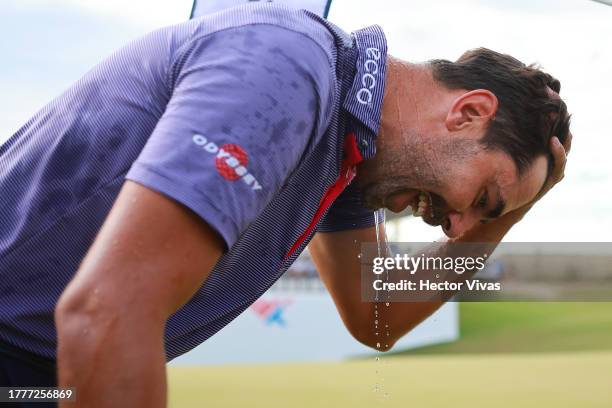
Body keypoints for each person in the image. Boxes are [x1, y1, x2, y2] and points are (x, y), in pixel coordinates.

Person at [0, 3, 571, 407]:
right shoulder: (287, 66)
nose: (451, 223)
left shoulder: (350, 154)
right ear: (468, 112)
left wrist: (510, 213)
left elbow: (378, 318)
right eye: (483, 199)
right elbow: (106, 311)